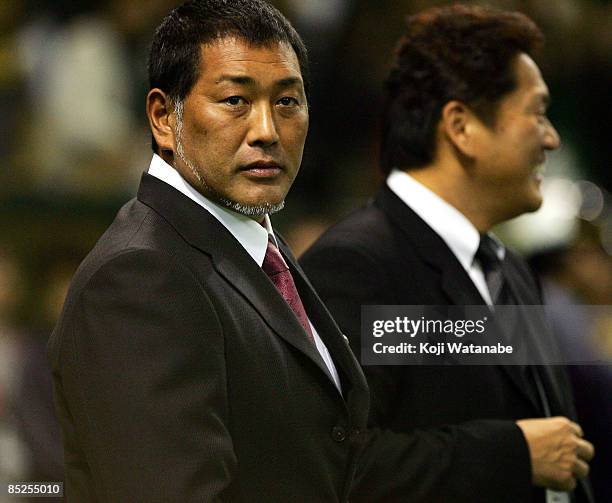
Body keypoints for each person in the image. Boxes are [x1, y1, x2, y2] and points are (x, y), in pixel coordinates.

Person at [47, 1, 369, 501]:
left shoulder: (253, 242)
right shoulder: (139, 277)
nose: (266, 130)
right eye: (235, 100)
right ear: (162, 117)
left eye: (287, 102)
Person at [301, 5, 594, 503]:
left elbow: (554, 445)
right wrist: (513, 454)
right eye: (536, 112)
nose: (551, 137)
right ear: (461, 127)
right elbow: (329, 464)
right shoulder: (355, 266)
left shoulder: (510, 269)